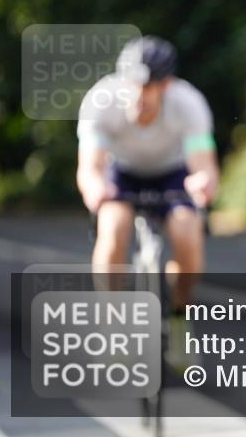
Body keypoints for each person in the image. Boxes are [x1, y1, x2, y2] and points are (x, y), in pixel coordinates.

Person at [76, 35, 219, 313]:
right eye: (133, 84)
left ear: (167, 85)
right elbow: (90, 168)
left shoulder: (189, 103)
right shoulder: (100, 102)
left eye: (149, 86)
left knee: (188, 232)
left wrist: (203, 182)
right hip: (123, 172)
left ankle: (180, 310)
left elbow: (204, 165)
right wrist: (95, 189)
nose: (140, 94)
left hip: (173, 172)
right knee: (113, 226)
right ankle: (111, 319)